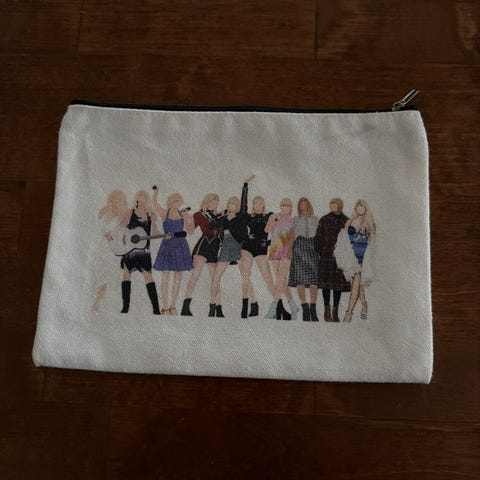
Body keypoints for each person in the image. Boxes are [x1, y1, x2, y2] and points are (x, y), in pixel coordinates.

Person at [209, 175, 254, 317]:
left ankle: (246, 307)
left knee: (245, 276)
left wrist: (245, 185)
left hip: (238, 246)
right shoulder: (223, 218)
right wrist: (220, 215)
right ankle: (212, 306)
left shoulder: (240, 216)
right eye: (229, 203)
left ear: (237, 206)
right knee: (216, 276)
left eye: (233, 203)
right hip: (226, 247)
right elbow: (211, 225)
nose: (230, 205)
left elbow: (244, 202)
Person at [153, 188, 194, 315]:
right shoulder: (164, 213)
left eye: (178, 201)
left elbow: (190, 231)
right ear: (169, 202)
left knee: (177, 278)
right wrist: (156, 192)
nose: (176, 203)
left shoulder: (183, 214)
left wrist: (189, 220)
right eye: (174, 200)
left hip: (181, 246)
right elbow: (154, 203)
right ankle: (165, 307)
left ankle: (173, 306)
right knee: (165, 277)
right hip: (167, 246)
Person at [335, 199, 376, 322]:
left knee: (356, 283)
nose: (360, 208)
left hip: (363, 257)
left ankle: (349, 313)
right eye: (358, 206)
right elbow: (343, 240)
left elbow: (373, 244)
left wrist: (369, 259)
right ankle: (364, 304)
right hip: (351, 257)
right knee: (357, 285)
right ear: (355, 208)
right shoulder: (350, 221)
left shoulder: (370, 223)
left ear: (366, 209)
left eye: (362, 207)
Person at [181, 193, 222, 316]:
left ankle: (216, 309)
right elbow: (190, 231)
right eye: (213, 201)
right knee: (195, 276)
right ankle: (185, 307)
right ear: (207, 202)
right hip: (203, 246)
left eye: (216, 201)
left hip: (215, 248)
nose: (215, 203)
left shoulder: (219, 216)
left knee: (215, 279)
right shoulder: (199, 215)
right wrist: (186, 217)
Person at [120, 190, 161, 315]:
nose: (141, 198)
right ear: (136, 198)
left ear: (147, 199)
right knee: (126, 274)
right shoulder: (130, 213)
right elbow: (121, 228)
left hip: (144, 251)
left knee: (148, 276)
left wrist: (162, 235)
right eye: (139, 196)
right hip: (130, 250)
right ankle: (125, 308)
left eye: (144, 196)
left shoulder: (151, 214)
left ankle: (156, 309)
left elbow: (155, 231)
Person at [239, 190, 275, 318]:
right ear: (253, 205)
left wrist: (269, 242)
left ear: (264, 204)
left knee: (267, 277)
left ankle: (277, 305)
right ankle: (249, 305)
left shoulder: (269, 215)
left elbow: (279, 231)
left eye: (260, 202)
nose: (257, 204)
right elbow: (239, 218)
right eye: (255, 202)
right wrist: (245, 186)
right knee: (245, 275)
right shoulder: (249, 216)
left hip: (261, 248)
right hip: (248, 247)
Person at [92, 190, 130, 312]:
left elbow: (123, 231)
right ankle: (96, 302)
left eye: (121, 201)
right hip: (102, 248)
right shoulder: (103, 211)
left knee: (109, 276)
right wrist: (105, 234)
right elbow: (97, 227)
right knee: (100, 274)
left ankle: (100, 303)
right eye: (116, 200)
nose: (118, 203)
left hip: (114, 250)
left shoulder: (122, 214)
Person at [315, 198, 351, 322]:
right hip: (326, 256)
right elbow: (318, 237)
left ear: (339, 205)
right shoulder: (324, 219)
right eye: (330, 204)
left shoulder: (346, 220)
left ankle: (335, 312)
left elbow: (350, 239)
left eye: (334, 204)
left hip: (340, 257)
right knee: (326, 285)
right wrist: (321, 251)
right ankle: (327, 311)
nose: (331, 206)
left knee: (337, 285)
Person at [264, 198, 299, 320]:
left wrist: (291, 253)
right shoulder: (274, 216)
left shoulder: (293, 220)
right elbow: (266, 230)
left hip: (286, 252)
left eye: (287, 206)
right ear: (280, 206)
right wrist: (274, 221)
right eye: (283, 205)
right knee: (282, 282)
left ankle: (273, 307)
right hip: (275, 251)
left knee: (279, 279)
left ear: (291, 208)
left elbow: (294, 238)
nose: (285, 208)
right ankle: (293, 305)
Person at [288, 197, 320, 322]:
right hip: (299, 246)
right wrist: (290, 249)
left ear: (308, 205)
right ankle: (305, 307)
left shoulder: (316, 219)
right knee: (300, 279)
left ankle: (313, 308)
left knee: (314, 279)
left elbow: (320, 235)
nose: (303, 205)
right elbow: (291, 235)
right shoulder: (295, 219)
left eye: (304, 203)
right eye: (300, 204)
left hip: (313, 246)